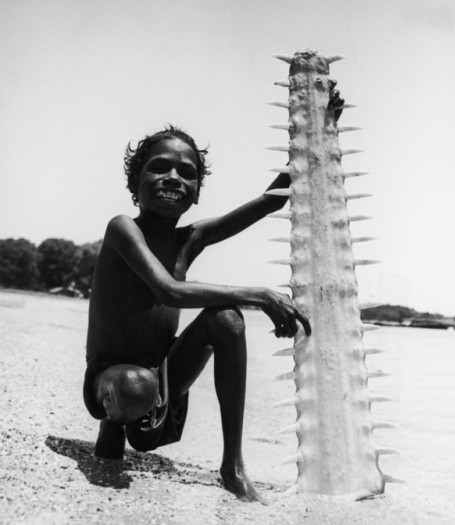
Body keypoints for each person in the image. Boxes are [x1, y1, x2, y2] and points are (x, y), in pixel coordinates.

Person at [84, 85, 344, 503]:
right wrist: (259, 294)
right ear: (136, 182)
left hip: (161, 383)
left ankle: (233, 466)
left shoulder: (191, 239)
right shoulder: (122, 228)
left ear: (197, 190)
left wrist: (320, 128)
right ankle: (112, 425)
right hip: (112, 380)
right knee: (133, 384)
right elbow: (168, 291)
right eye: (160, 168)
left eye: (186, 173)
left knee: (226, 318)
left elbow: (271, 201)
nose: (173, 178)